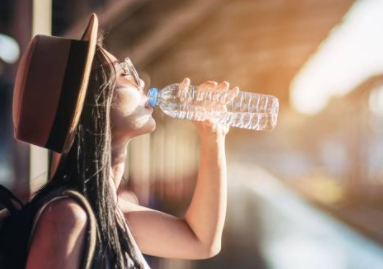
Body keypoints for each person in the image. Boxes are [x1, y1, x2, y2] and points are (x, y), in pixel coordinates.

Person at [12, 13, 235, 269]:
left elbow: (201, 240)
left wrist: (213, 138)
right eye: (125, 72)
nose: (140, 81)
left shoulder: (109, 211)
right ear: (96, 102)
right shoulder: (66, 217)